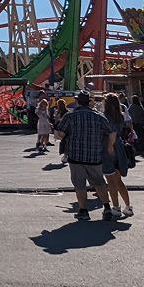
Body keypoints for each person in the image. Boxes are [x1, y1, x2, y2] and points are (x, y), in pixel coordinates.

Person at [54, 91, 115, 221]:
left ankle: (83, 210)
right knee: (99, 182)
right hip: (94, 155)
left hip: (76, 155)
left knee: (79, 184)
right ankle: (107, 208)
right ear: (89, 102)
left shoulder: (70, 116)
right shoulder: (99, 117)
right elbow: (110, 132)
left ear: (77, 101)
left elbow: (59, 134)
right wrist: (108, 146)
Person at [101, 94, 133, 219]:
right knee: (118, 180)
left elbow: (112, 134)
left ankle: (116, 207)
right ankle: (128, 206)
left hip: (109, 147)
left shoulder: (106, 117)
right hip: (119, 147)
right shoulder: (120, 116)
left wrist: (109, 147)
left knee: (110, 180)